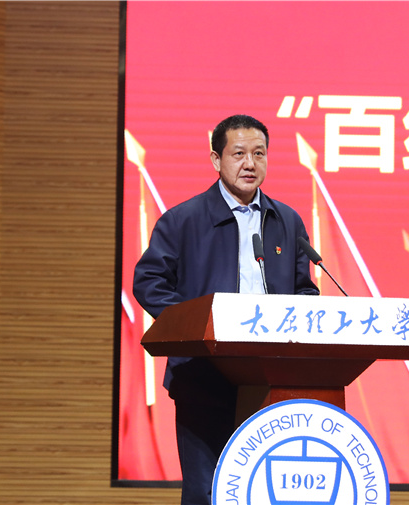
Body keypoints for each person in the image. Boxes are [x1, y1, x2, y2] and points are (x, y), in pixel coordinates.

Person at [133, 114, 319, 505]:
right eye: (239, 154)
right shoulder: (183, 220)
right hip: (204, 372)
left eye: (259, 154)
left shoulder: (286, 221)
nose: (250, 163)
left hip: (270, 374)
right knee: (206, 488)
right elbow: (149, 282)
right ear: (216, 160)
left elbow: (305, 289)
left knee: (264, 488)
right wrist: (198, 323)